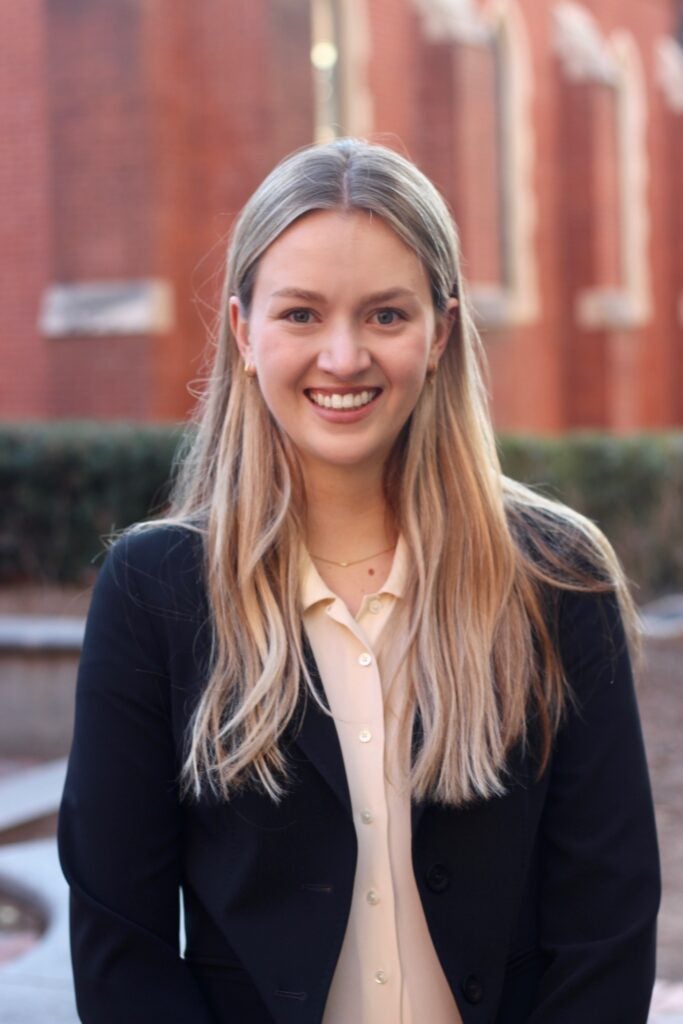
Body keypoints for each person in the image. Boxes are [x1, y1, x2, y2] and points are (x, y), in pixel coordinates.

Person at [58, 138, 660, 1024]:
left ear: (441, 331)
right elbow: (122, 948)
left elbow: (606, 929)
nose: (343, 358)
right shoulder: (155, 592)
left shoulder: (555, 579)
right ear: (243, 332)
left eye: (385, 315)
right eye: (300, 315)